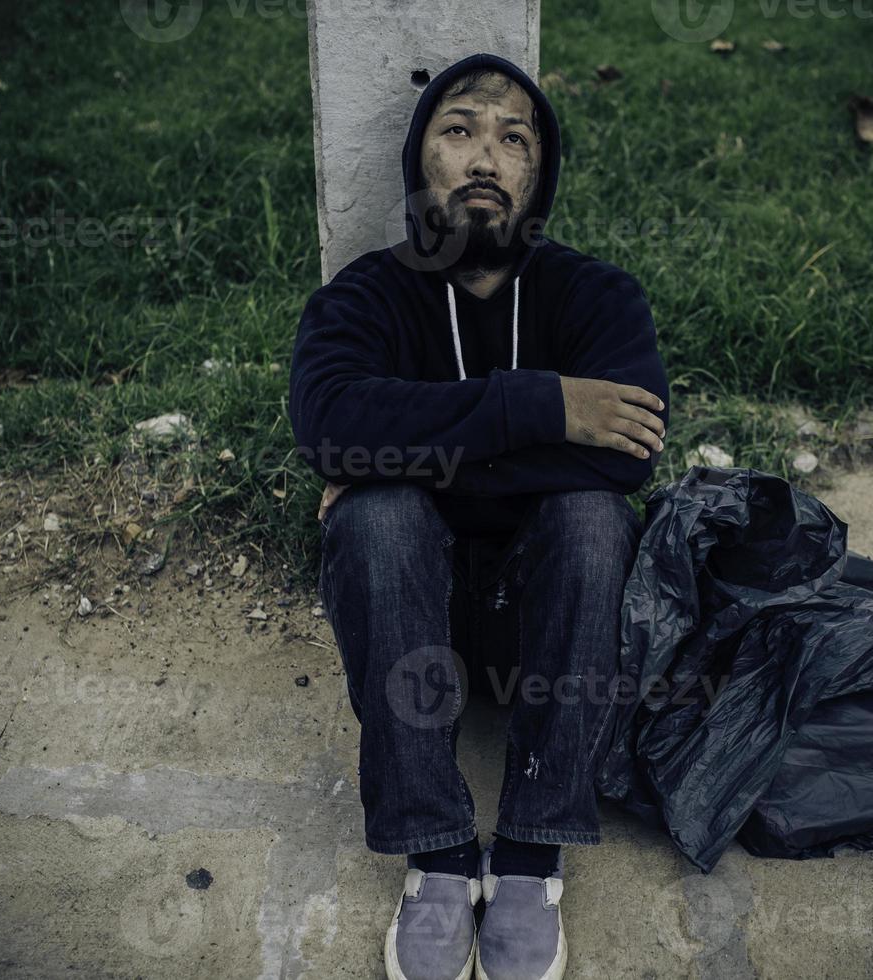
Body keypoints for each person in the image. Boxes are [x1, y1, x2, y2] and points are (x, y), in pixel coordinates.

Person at [288, 52, 669, 980]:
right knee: (380, 520)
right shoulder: (364, 298)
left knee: (587, 517)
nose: (485, 157)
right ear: (421, 161)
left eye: (513, 138)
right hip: (413, 628)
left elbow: (627, 452)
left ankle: (533, 852)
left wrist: (410, 452)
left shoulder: (597, 296)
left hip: (548, 624)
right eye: (458, 131)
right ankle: (438, 853)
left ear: (539, 173)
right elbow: (331, 423)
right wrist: (539, 409)